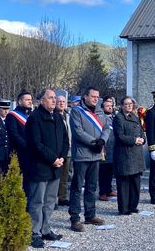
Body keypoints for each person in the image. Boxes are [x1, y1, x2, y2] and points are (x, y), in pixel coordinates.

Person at [25, 89, 69, 248]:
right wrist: (53, 159)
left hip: (55, 167)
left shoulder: (57, 117)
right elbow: (36, 144)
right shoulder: (34, 119)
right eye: (50, 98)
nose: (54, 101)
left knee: (50, 201)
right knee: (37, 201)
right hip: (40, 167)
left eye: (54, 98)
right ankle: (34, 232)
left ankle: (45, 229)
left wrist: (62, 157)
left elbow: (65, 139)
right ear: (42, 100)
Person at [68, 87, 110, 232]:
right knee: (77, 188)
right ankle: (74, 219)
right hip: (82, 154)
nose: (95, 99)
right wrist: (94, 142)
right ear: (85, 96)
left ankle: (90, 215)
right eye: (93, 96)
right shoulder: (76, 111)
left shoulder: (99, 111)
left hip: (96, 154)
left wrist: (102, 141)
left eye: (97, 96)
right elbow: (78, 131)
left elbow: (107, 128)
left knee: (92, 187)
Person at [113, 95, 146, 215]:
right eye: (126, 104)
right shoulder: (118, 118)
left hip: (136, 155)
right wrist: (134, 140)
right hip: (124, 155)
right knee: (124, 184)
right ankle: (124, 208)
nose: (129, 105)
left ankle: (133, 205)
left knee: (135, 183)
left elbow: (141, 132)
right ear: (122, 106)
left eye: (130, 104)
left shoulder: (135, 117)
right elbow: (120, 136)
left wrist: (143, 139)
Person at [6, 91, 33, 194]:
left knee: (29, 181)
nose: (30, 102)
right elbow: (14, 134)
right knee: (15, 181)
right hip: (18, 152)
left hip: (30, 153)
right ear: (20, 101)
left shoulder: (31, 114)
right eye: (27, 100)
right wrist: (27, 146)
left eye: (30, 100)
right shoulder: (12, 115)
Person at [98, 96, 117, 201]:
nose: (110, 108)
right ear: (103, 107)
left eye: (111, 106)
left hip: (113, 147)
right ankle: (102, 192)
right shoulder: (101, 117)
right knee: (103, 171)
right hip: (104, 147)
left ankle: (109, 189)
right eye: (107, 106)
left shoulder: (114, 117)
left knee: (110, 170)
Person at [56, 94, 71, 207]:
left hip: (69, 150)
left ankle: (63, 197)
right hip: (57, 151)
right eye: (59, 101)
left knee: (65, 176)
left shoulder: (68, 115)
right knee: (56, 175)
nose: (61, 103)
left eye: (63, 101)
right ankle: (54, 198)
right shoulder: (54, 115)